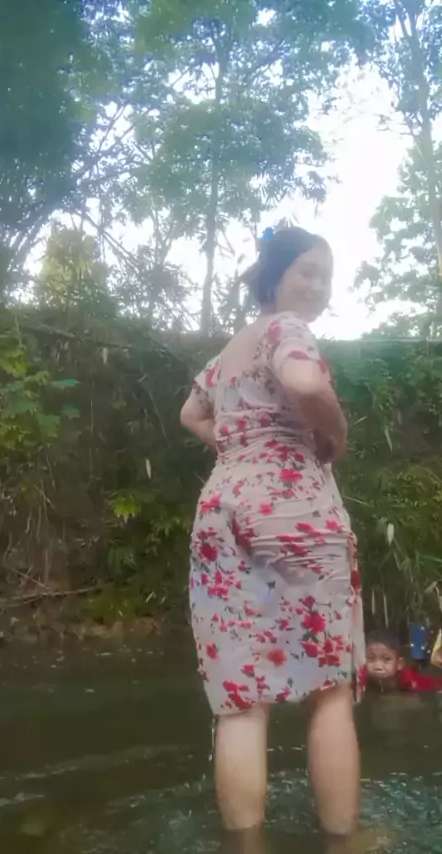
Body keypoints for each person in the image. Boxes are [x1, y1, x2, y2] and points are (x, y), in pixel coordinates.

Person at [181, 226, 365, 854]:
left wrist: (239, 448)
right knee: (330, 689)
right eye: (307, 270)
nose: (318, 285)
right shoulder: (288, 329)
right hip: (295, 509)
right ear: (275, 276)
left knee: (241, 698)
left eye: (325, 275)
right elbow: (306, 384)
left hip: (221, 511)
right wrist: (335, 436)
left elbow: (191, 413)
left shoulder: (229, 351)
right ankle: (343, 843)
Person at [365, 628, 442, 693]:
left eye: (386, 659)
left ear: (399, 664)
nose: (378, 666)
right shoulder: (362, 682)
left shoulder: (409, 683)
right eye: (371, 658)